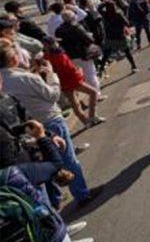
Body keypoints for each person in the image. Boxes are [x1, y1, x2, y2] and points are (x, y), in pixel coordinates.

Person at [0, 38, 101, 210]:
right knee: (69, 160)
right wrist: (51, 75)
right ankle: (82, 194)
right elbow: (52, 95)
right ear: (13, 59)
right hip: (49, 119)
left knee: (45, 167)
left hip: (29, 127)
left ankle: (57, 201)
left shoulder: (5, 80)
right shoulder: (25, 77)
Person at [42, 36, 101, 129]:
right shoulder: (59, 54)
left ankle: (86, 121)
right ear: (52, 44)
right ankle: (92, 116)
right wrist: (78, 71)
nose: (58, 43)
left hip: (63, 82)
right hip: (73, 79)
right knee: (93, 92)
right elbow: (68, 68)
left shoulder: (46, 56)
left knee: (75, 103)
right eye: (56, 42)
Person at [55, 10, 104, 101]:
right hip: (82, 53)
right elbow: (89, 40)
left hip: (70, 56)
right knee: (90, 74)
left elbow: (59, 42)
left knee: (77, 76)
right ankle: (96, 95)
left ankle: (79, 97)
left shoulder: (58, 30)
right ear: (73, 17)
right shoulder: (76, 27)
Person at [99, 0, 138, 75]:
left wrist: (104, 3)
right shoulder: (118, 14)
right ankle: (134, 66)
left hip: (109, 37)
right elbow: (127, 23)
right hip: (120, 36)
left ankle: (101, 69)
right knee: (127, 52)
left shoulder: (105, 14)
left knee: (106, 54)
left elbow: (99, 9)